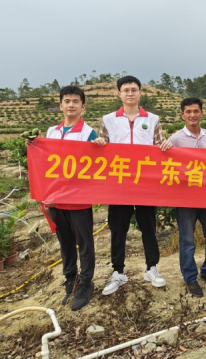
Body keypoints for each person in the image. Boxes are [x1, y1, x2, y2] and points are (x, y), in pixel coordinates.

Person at [93, 75, 171, 295]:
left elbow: (159, 145)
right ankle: (118, 271)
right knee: (118, 228)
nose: (130, 93)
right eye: (126, 90)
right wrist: (99, 143)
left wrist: (166, 144)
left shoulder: (153, 119)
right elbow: (103, 146)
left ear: (140, 93)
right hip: (118, 184)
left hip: (145, 183)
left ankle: (151, 268)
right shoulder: (108, 120)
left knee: (148, 226)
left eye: (134, 89)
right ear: (119, 93)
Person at [34, 85, 97, 311]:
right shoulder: (52, 132)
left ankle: (86, 283)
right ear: (60, 106)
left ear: (83, 106)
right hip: (56, 198)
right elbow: (45, 161)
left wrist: (100, 146)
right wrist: (34, 145)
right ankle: (71, 279)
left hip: (79, 198)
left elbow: (98, 163)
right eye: (67, 101)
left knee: (85, 243)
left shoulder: (89, 133)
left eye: (75, 101)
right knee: (65, 242)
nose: (71, 105)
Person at [159, 97, 206, 297]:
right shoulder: (175, 139)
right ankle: (190, 277)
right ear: (182, 114)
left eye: (196, 111)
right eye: (188, 112)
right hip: (185, 199)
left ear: (202, 113)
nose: (192, 115)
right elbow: (165, 162)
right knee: (187, 240)